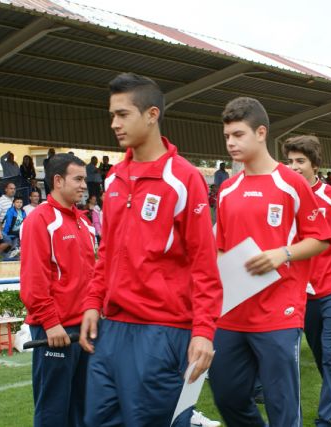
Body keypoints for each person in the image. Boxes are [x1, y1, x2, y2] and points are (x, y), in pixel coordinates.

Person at [78, 73, 222, 427]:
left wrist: (203, 331)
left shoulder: (184, 178)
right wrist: (93, 303)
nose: (114, 123)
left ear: (152, 114)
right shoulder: (113, 178)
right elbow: (107, 253)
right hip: (111, 330)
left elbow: (204, 264)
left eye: (123, 114)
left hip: (161, 332)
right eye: (112, 114)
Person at [210, 97, 331, 427]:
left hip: (280, 310)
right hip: (233, 312)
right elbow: (221, 248)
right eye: (227, 137)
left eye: (238, 134)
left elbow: (320, 237)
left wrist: (283, 253)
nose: (231, 143)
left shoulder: (290, 182)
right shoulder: (227, 189)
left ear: (261, 132)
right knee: (226, 395)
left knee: (282, 403)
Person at [284, 135, 331, 426]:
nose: (294, 167)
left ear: (315, 165)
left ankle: (325, 419)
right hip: (301, 294)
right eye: (290, 161)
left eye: (300, 161)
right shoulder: (283, 197)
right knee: (319, 354)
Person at [20, 153, 96, 426]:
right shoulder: (39, 220)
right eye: (78, 179)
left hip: (84, 331)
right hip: (55, 331)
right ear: (57, 180)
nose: (83, 185)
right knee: (53, 411)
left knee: (83, 409)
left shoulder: (85, 223)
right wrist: (51, 323)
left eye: (84, 179)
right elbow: (33, 281)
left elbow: (91, 277)